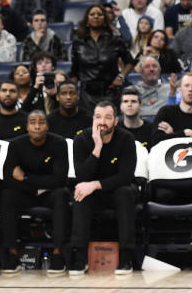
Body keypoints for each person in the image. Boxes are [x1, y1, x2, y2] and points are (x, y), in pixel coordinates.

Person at [67, 102, 137, 275]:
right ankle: (79, 257)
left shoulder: (126, 139)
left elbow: (126, 177)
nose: (102, 122)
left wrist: (96, 184)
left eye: (107, 117)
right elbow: (82, 177)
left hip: (117, 190)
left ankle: (126, 257)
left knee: (125, 192)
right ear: (93, 119)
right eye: (98, 117)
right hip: (92, 194)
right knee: (80, 193)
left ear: (116, 121)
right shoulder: (81, 140)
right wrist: (97, 148)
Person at [0, 110, 70, 274]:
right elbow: (8, 178)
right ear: (27, 126)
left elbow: (60, 179)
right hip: (25, 194)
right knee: (7, 195)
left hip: (49, 194)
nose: (37, 126)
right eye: (32, 122)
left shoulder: (59, 143)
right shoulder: (16, 144)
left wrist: (25, 178)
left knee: (62, 194)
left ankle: (58, 253)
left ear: (48, 126)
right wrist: (36, 186)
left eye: (41, 122)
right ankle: (12, 253)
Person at [70, 4, 133, 102]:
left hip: (110, 92)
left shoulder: (115, 39)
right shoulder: (78, 41)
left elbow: (130, 62)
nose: (96, 16)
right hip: (86, 95)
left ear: (105, 19)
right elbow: (75, 69)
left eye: (100, 14)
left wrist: (121, 77)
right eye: (92, 14)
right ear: (87, 19)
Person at [152, 73, 192, 149]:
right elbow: (155, 142)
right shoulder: (166, 112)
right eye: (187, 85)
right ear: (180, 90)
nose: (190, 89)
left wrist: (173, 135)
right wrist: (186, 133)